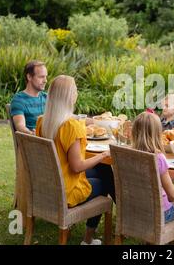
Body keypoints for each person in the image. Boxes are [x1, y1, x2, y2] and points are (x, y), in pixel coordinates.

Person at [35, 75, 115, 245]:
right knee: (105, 183)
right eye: (75, 91)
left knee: (104, 170)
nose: (77, 93)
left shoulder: (42, 121)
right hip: (66, 192)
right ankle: (88, 239)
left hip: (48, 185)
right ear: (69, 96)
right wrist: (102, 156)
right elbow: (77, 166)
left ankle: (127, 215)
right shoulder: (71, 126)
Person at [10, 61, 48, 134]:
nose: (45, 81)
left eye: (46, 77)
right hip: (33, 142)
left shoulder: (47, 97)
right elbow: (20, 126)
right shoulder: (19, 100)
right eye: (41, 77)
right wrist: (32, 134)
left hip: (49, 139)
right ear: (29, 77)